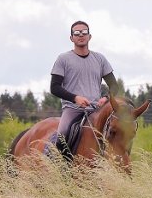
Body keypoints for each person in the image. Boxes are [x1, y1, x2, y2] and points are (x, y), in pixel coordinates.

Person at [49, 20, 119, 157]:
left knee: (118, 133)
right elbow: (54, 87)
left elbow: (114, 86)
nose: (80, 35)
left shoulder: (100, 59)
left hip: (96, 109)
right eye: (76, 33)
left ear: (89, 36)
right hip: (72, 109)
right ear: (71, 38)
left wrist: (105, 98)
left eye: (84, 32)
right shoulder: (63, 59)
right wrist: (75, 98)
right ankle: (57, 168)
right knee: (61, 137)